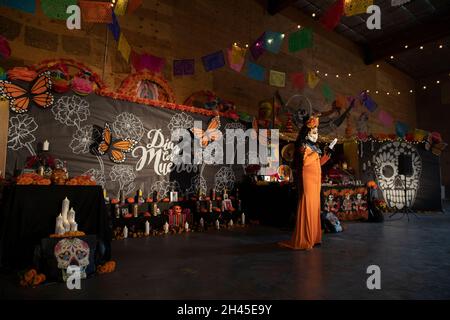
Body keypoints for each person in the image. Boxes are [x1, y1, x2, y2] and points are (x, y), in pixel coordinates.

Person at [279, 115, 332, 250]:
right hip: (308, 176)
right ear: (307, 133)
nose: (316, 135)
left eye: (317, 132)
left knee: (315, 205)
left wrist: (326, 156)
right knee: (308, 203)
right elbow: (306, 162)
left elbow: (317, 164)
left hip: (316, 177)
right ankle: (306, 238)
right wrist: (316, 154)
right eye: (313, 132)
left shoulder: (315, 147)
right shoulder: (303, 145)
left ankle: (314, 237)